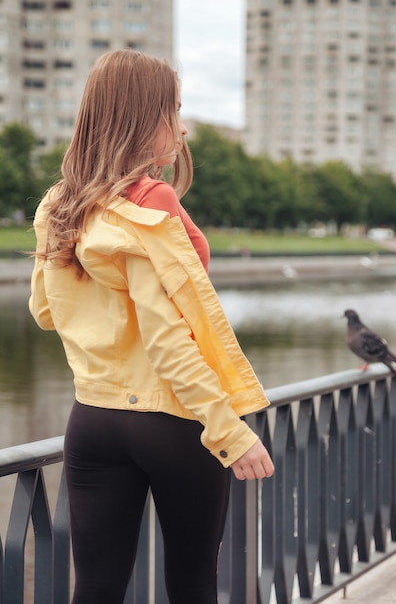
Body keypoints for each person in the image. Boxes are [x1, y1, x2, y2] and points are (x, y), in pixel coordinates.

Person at [29, 50, 274, 604]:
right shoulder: (151, 202)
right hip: (171, 422)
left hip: (92, 419)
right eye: (176, 110)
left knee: (94, 587)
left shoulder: (59, 204)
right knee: (192, 585)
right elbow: (169, 342)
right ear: (144, 117)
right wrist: (230, 434)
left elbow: (45, 312)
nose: (183, 128)